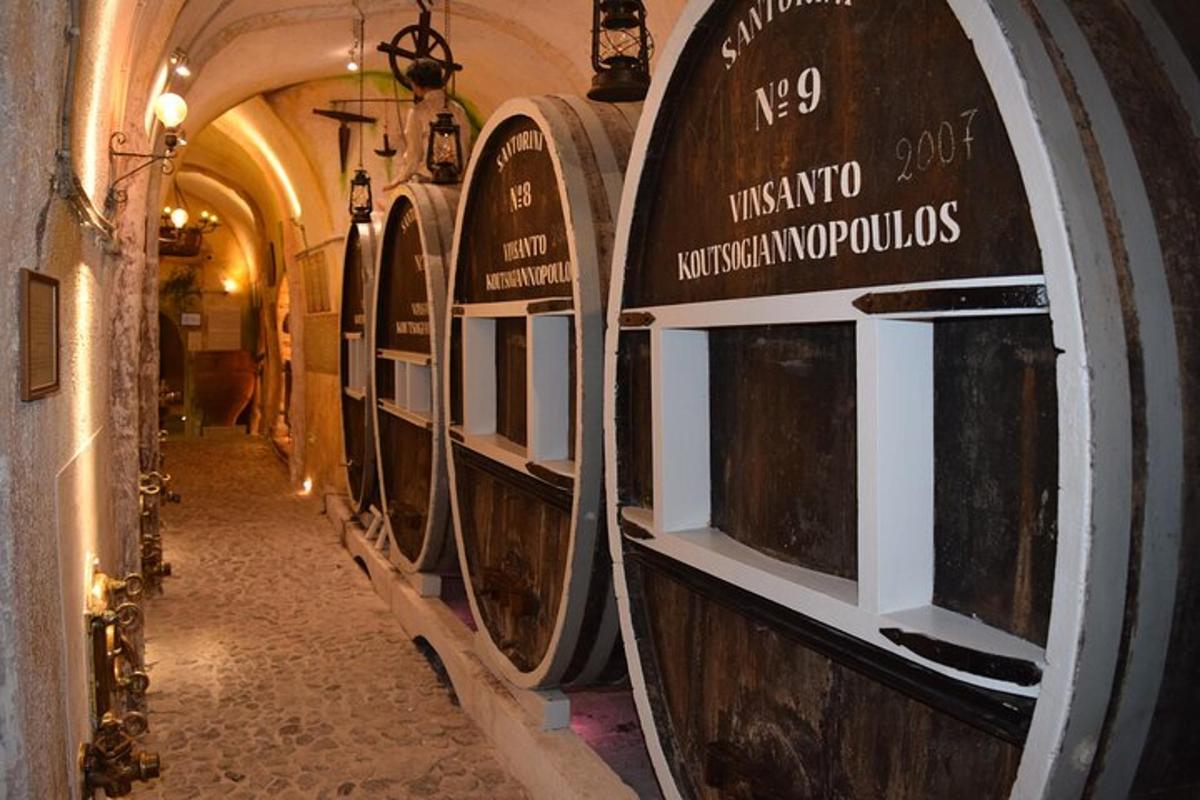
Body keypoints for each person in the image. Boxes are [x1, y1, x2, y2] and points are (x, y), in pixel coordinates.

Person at [384, 58, 473, 188]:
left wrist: (399, 178)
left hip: (428, 183)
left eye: (412, 83)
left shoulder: (418, 112)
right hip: (459, 182)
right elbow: (465, 146)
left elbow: (414, 155)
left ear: (417, 83)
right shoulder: (459, 110)